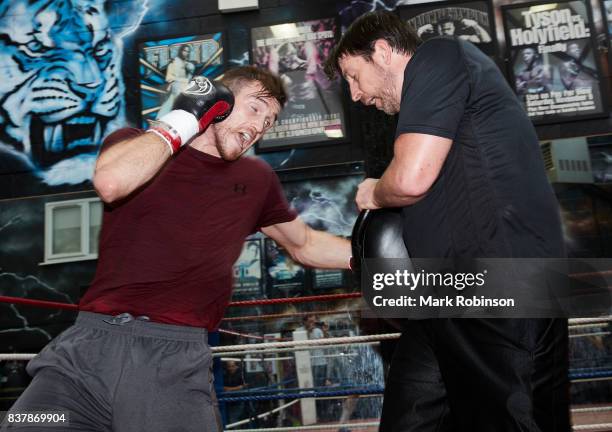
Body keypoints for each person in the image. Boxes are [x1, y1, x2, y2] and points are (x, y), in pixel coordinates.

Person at [2, 66, 351, 432]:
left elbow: (306, 243)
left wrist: (382, 262)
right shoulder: (139, 144)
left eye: (270, 121)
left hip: (170, 363)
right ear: (219, 101)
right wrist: (185, 116)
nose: (260, 126)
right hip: (85, 354)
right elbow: (110, 182)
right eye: (255, 108)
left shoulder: (256, 180)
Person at [324, 11, 569, 431]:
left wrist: (373, 193)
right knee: (410, 421)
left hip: (500, 286)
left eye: (353, 76)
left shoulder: (440, 57)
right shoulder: (434, 101)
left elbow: (411, 180)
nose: (356, 95)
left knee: (514, 420)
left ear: (382, 52)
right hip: (445, 296)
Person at [157, 44, 196, 118]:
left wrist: (190, 72)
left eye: (188, 51)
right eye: (184, 51)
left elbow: (189, 79)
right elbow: (169, 78)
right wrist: (182, 80)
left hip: (185, 90)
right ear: (180, 51)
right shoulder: (173, 63)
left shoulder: (189, 64)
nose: (186, 53)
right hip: (176, 89)